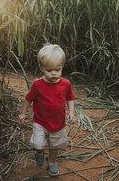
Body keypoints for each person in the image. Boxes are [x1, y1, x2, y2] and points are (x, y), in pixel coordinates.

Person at [18, 44, 76, 176]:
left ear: (62, 67)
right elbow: (28, 99)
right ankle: (39, 152)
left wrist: (71, 112)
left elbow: (70, 98)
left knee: (55, 145)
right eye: (49, 70)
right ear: (41, 68)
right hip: (40, 122)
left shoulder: (65, 84)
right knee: (39, 144)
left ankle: (51, 162)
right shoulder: (38, 85)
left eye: (57, 69)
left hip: (58, 123)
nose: (54, 73)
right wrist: (23, 113)